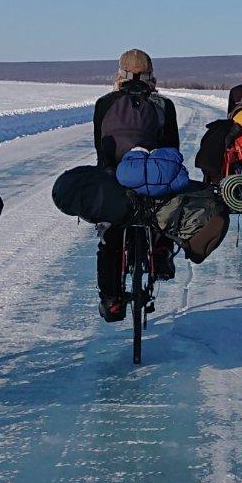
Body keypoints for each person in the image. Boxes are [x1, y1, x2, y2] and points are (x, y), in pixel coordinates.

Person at [94, 49, 181, 321]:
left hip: (115, 179)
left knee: (110, 237)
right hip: (152, 183)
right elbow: (172, 150)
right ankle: (162, 254)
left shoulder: (104, 103)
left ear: (120, 75)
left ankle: (111, 299)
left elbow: (100, 147)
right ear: (150, 76)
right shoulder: (164, 105)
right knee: (167, 205)